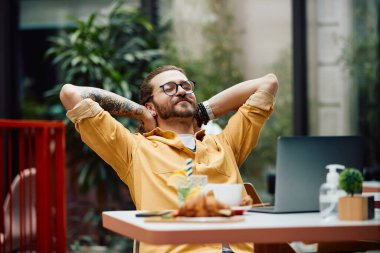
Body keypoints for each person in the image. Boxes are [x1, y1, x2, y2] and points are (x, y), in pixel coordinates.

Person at [60, 65, 278, 253]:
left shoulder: (225, 145)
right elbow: (71, 94)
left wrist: (201, 111)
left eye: (186, 86)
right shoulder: (134, 149)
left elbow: (267, 84)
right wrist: (141, 113)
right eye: (169, 88)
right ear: (151, 106)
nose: (181, 91)